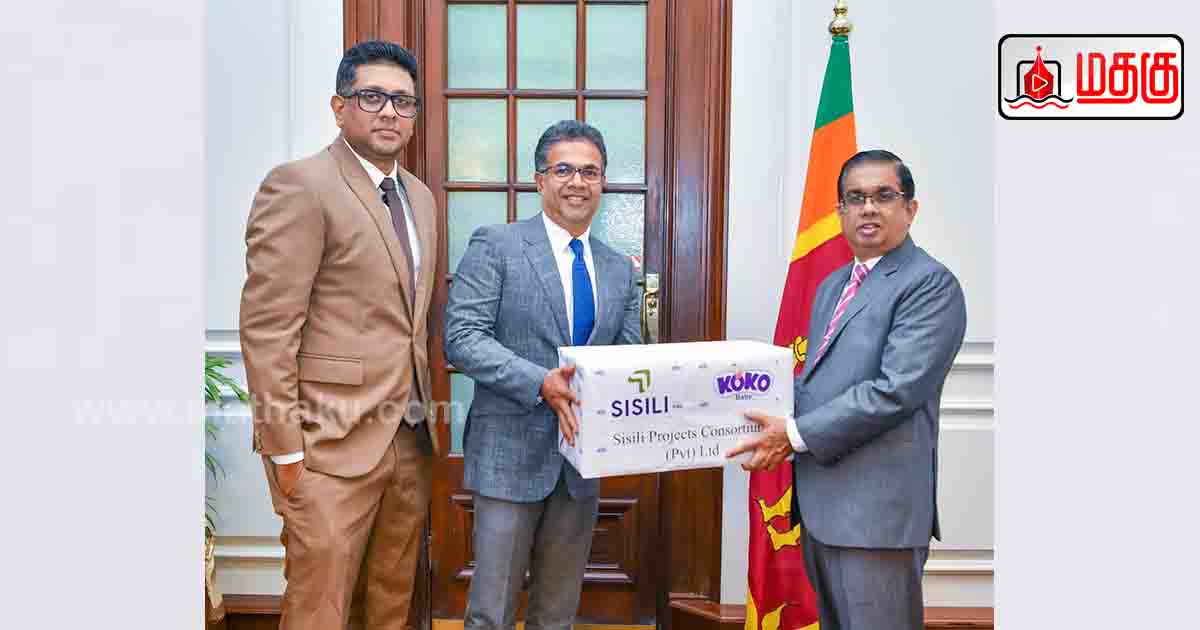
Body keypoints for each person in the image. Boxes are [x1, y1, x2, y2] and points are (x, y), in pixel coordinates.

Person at [239, 40, 445, 630]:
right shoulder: (299, 186)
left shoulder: (420, 199)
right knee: (319, 611)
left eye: (403, 101)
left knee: (389, 605)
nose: (389, 112)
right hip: (325, 447)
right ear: (339, 106)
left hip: (408, 440)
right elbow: (268, 330)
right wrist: (286, 453)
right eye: (372, 97)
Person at [728, 150, 967, 630]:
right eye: (855, 198)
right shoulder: (834, 284)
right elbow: (819, 383)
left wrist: (790, 435)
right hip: (823, 506)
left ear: (910, 208)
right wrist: (736, 408)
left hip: (877, 517)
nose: (868, 208)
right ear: (840, 211)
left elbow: (894, 391)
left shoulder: (930, 285)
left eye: (883, 196)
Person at [444, 120, 642, 630]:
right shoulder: (497, 244)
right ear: (539, 180)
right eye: (564, 170)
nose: (578, 182)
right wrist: (540, 382)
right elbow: (462, 337)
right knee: (491, 613)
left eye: (590, 172)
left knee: (557, 615)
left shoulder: (618, 268)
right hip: (508, 457)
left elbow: (627, 357)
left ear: (602, 182)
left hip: (580, 464)